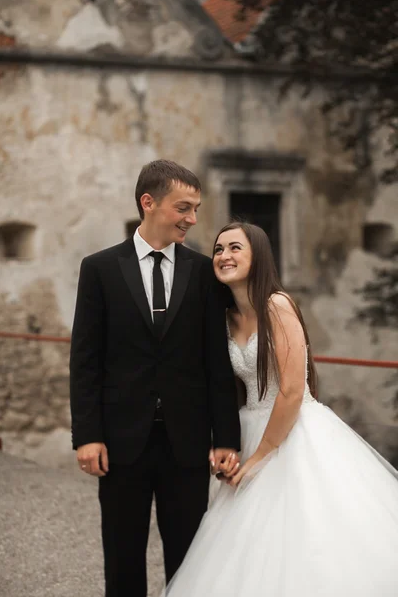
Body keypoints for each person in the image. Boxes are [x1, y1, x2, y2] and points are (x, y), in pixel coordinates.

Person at [164, 221, 398, 597]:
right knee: (245, 545)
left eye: (235, 247)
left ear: (258, 255)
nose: (224, 255)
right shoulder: (224, 317)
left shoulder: (277, 304)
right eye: (219, 249)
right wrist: (225, 445)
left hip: (291, 433)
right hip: (248, 427)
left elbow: (290, 390)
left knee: (304, 539)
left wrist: (260, 457)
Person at [69, 160, 241, 597]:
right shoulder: (100, 269)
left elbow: (216, 361)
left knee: (189, 560)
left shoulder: (204, 272)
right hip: (121, 441)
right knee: (122, 558)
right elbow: (85, 360)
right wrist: (87, 436)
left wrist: (226, 438)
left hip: (187, 443)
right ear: (149, 203)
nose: (193, 219)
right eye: (183, 207)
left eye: (197, 208)